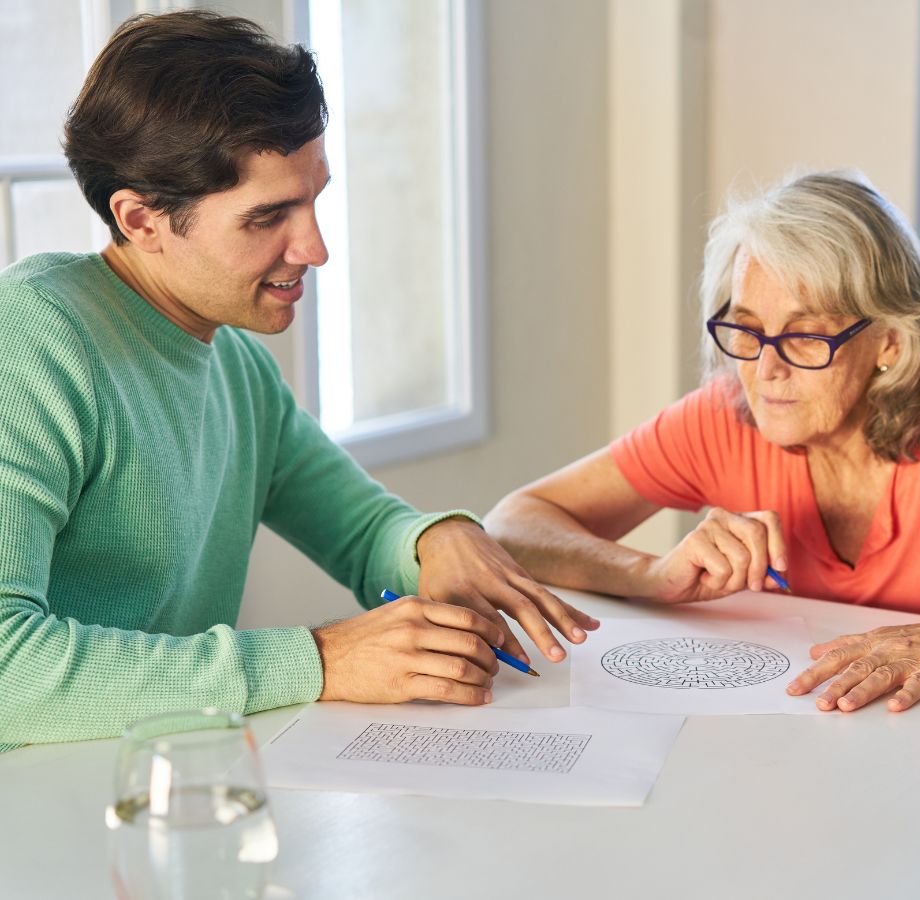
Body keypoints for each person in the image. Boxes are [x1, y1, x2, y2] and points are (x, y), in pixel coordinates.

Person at [0, 10, 596, 752]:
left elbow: (364, 529)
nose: (314, 248)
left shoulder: (238, 366)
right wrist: (320, 659)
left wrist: (432, 541)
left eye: (315, 199)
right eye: (267, 217)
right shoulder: (30, 341)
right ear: (142, 219)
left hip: (160, 778)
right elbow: (6, 669)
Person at [485, 170, 920, 713]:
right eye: (745, 328)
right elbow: (514, 524)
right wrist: (651, 577)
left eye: (804, 334)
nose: (765, 368)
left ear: (888, 343)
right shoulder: (728, 412)